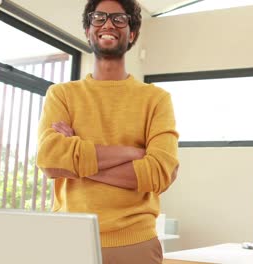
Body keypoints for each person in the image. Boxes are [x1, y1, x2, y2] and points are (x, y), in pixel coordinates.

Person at [36, 0, 179, 263]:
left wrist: (76, 159)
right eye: (98, 18)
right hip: (68, 240)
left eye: (119, 19)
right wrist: (133, 153)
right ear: (88, 31)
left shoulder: (156, 99)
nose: (108, 24)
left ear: (132, 33)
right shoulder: (62, 95)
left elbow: (160, 172)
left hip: (136, 244)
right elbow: (49, 160)